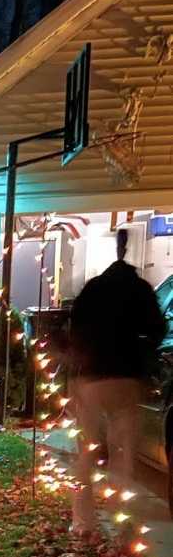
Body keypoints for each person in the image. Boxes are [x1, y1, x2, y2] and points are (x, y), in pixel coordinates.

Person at [69, 228, 166, 535]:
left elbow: (75, 330)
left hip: (92, 378)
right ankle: (123, 522)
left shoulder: (93, 290)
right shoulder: (141, 290)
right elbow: (159, 330)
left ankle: (83, 522)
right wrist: (141, 349)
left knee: (85, 450)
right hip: (128, 378)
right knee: (122, 453)